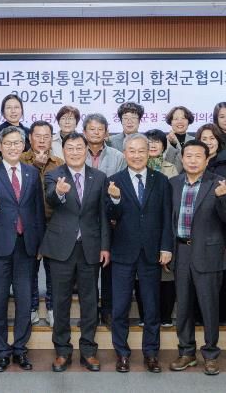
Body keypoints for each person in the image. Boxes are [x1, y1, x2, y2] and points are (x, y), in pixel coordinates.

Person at [40, 132, 110, 372]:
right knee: (60, 302)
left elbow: (103, 215)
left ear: (86, 149)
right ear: (63, 151)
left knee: (90, 301)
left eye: (79, 147)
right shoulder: (53, 174)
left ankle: (89, 351)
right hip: (61, 248)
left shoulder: (99, 177)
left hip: (90, 248)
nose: (75, 152)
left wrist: (105, 246)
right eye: (70, 148)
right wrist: (59, 191)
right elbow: (50, 199)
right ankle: (62, 351)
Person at [0, 126, 45, 372]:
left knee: (25, 300)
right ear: (0, 146)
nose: (13, 147)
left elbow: (37, 211)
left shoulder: (31, 172)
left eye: (17, 143)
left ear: (24, 145)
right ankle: (2, 351)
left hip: (26, 246)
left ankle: (20, 348)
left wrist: (40, 243)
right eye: (8, 143)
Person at [106, 133, 173, 374]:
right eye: (132, 151)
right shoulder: (114, 181)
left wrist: (166, 247)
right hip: (122, 252)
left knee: (152, 307)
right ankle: (122, 354)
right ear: (125, 153)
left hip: (151, 253)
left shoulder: (161, 180)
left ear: (149, 153)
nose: (136, 155)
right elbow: (109, 217)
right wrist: (115, 200)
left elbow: (167, 217)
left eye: (141, 151)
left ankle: (151, 354)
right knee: (120, 307)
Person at [168, 140, 226, 376]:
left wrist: (224, 198)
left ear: (207, 160)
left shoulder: (219, 183)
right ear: (182, 158)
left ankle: (211, 354)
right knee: (183, 306)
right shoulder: (173, 183)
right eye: (188, 156)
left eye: (198, 156)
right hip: (181, 251)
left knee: (209, 306)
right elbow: (168, 219)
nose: (193, 160)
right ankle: (186, 352)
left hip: (208, 253)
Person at [83, 113, 125, 326]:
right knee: (88, 269)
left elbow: (121, 187)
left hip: (110, 218)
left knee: (109, 268)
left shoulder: (118, 156)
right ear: (84, 132)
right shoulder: (77, 152)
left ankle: (108, 309)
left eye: (100, 129)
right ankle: (90, 312)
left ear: (107, 132)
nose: (96, 133)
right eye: (92, 129)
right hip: (85, 219)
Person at [21, 120, 64, 326]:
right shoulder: (20, 160)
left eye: (46, 136)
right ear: (30, 138)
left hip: (53, 223)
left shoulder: (59, 163)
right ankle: (31, 308)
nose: (41, 140)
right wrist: (35, 167)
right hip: (27, 223)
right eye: (37, 136)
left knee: (53, 269)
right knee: (29, 267)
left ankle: (52, 308)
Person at [135, 129, 177, 327]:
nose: (153, 145)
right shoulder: (133, 166)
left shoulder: (171, 168)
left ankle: (165, 316)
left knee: (166, 274)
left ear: (164, 146)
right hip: (140, 230)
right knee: (141, 274)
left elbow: (173, 201)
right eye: (149, 142)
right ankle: (145, 316)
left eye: (157, 142)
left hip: (164, 225)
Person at [195, 123, 226, 323]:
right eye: (204, 139)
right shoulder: (192, 163)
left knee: (219, 274)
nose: (208, 142)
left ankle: (220, 317)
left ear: (219, 141)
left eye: (212, 138)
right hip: (197, 227)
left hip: (220, 225)